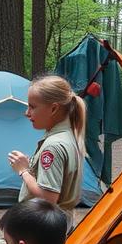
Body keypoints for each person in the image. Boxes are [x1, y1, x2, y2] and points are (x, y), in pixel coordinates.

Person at [8, 75, 85, 226]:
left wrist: (23, 170)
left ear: (54, 108)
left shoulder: (53, 146)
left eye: (33, 107)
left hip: (44, 226)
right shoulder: (68, 136)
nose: (27, 112)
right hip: (59, 222)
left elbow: (48, 199)